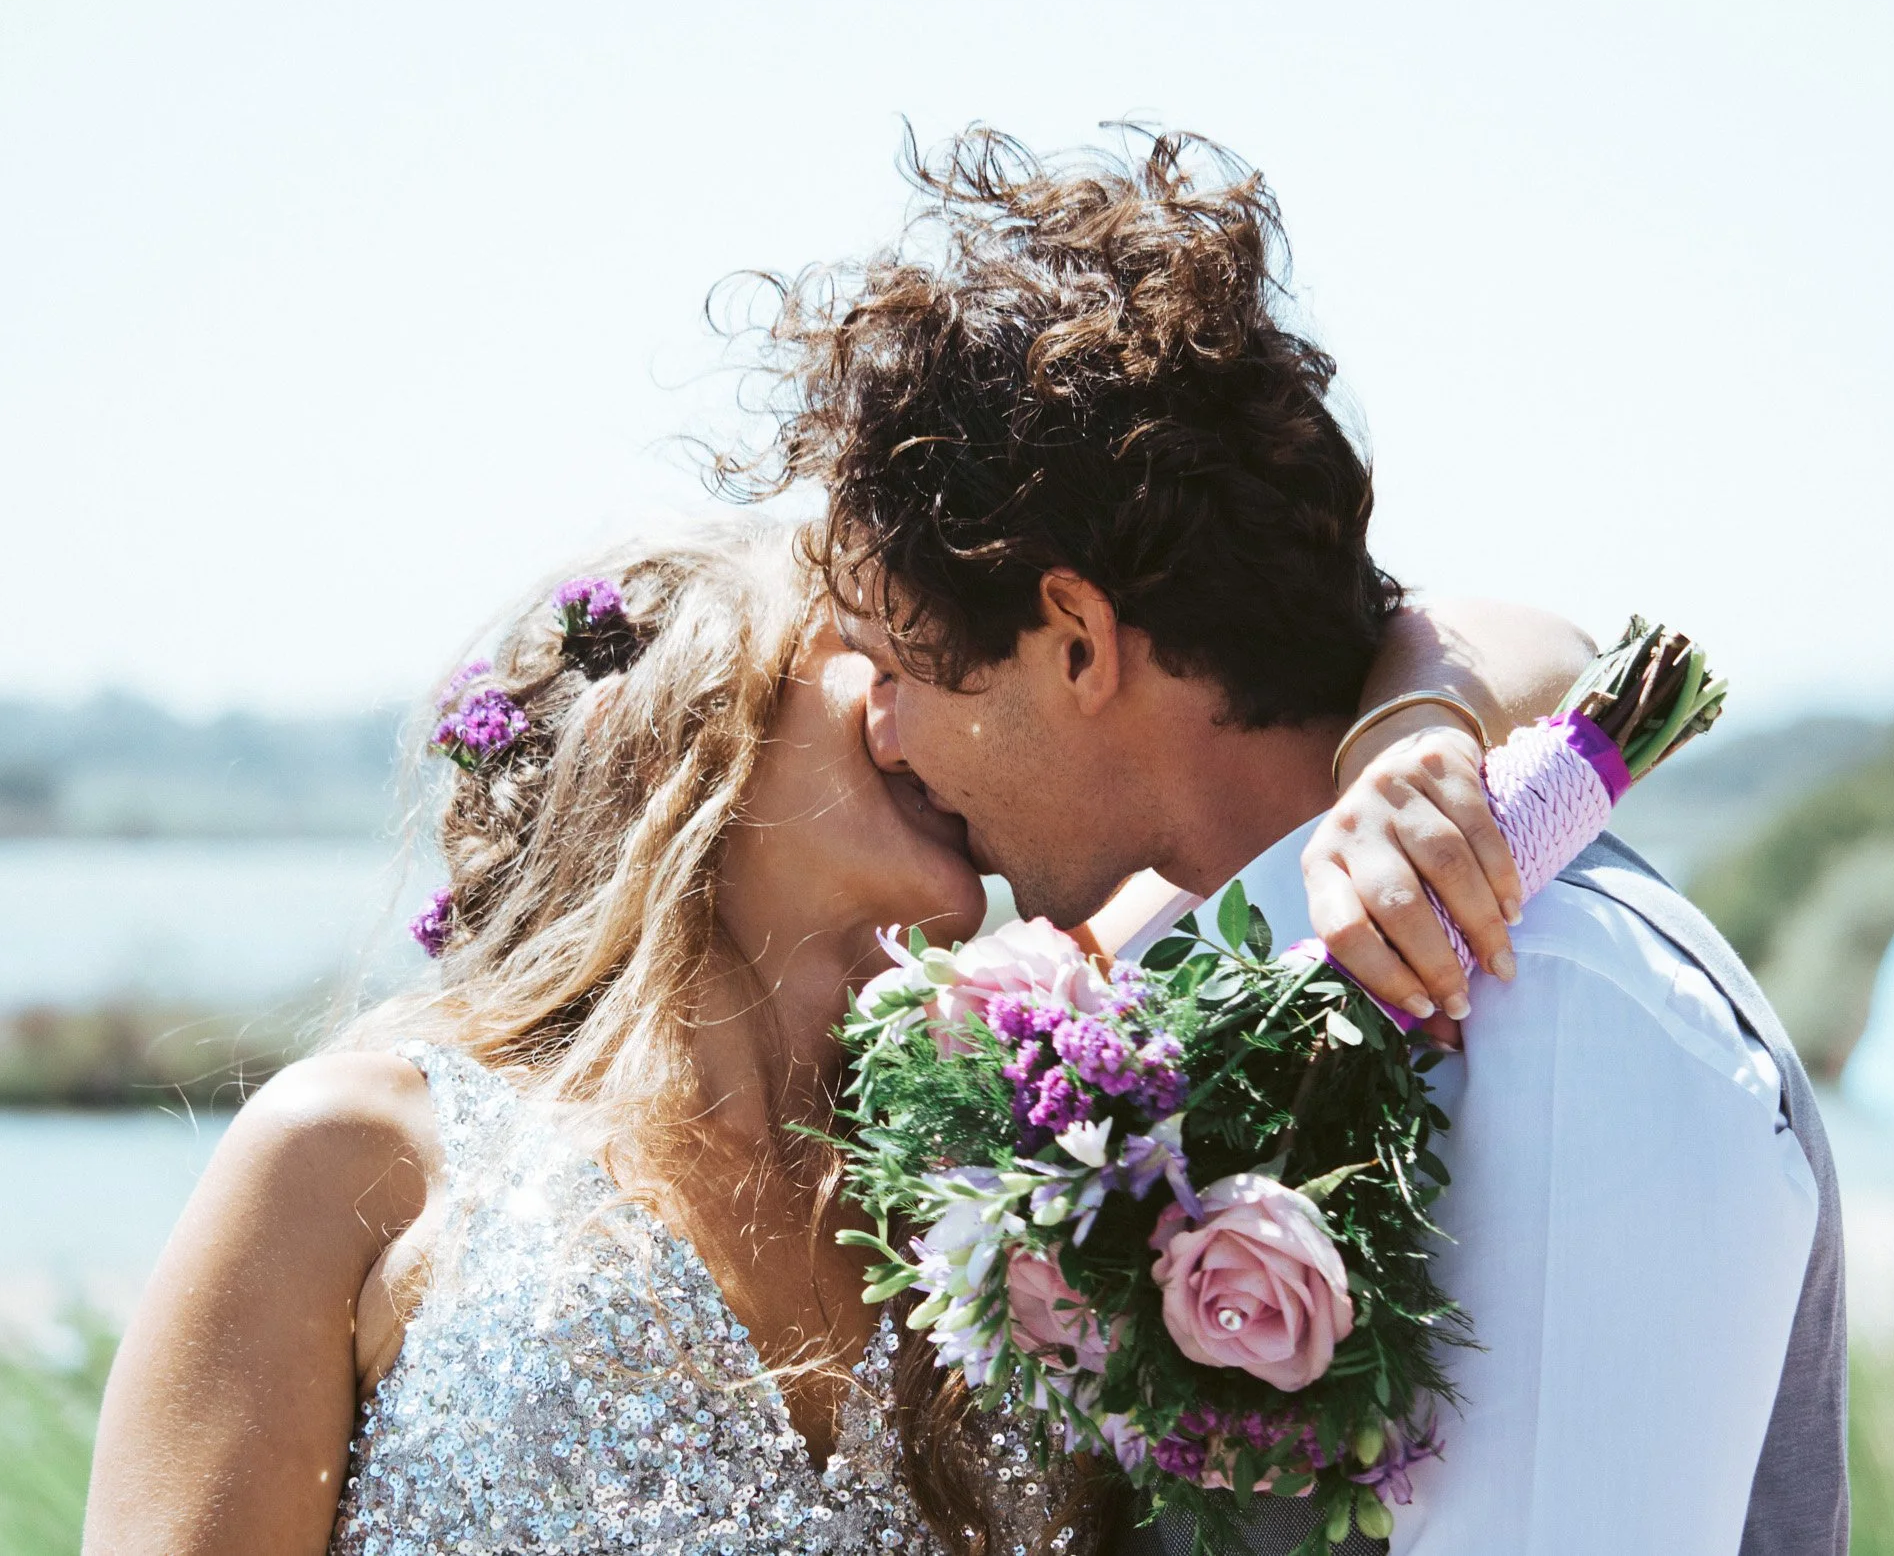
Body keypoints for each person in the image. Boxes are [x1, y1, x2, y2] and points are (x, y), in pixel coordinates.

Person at [741, 127, 1848, 1555]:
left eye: (906, 668)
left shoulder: (1557, 997)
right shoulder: (1197, 990)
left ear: (1076, 641)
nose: (884, 732)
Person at [78, 519, 1553, 1555]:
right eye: (877, 648)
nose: (933, 699)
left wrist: (1411, 734)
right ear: (690, 711)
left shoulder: (1012, 1173)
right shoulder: (358, 1153)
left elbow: (1536, 641)